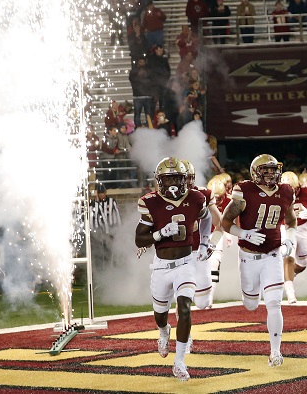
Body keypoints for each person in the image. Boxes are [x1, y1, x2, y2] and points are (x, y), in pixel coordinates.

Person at [134, 158, 213, 381]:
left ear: (184, 179)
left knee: (185, 308)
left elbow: (206, 219)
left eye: (176, 178)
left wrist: (205, 243)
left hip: (186, 263)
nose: (172, 183)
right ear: (159, 180)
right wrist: (160, 234)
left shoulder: (196, 198)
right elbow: (140, 239)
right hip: (161, 266)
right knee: (160, 315)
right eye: (167, 179)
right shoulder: (150, 202)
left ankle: (179, 362)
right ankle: (163, 331)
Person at [221, 154, 297, 367]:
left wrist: (290, 239)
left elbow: (291, 221)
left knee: (274, 303)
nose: (271, 174)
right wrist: (244, 233)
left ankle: (275, 352)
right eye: (266, 170)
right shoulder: (244, 191)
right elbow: (225, 223)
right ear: (256, 173)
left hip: (272, 255)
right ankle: (250, 297)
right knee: (251, 304)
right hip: (248, 256)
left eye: (274, 170)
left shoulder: (286, 191)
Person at [182, 160, 223, 312]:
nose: (186, 181)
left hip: (198, 252)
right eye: (182, 177)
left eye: (188, 177)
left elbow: (220, 223)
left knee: (202, 302)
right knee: (182, 298)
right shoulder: (164, 197)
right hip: (178, 254)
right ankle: (183, 336)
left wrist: (212, 244)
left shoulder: (204, 194)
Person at [280, 171, 307, 304]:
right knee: (288, 257)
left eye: (294, 189)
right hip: (287, 228)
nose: (292, 192)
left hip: (303, 227)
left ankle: (286, 277)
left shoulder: (306, 190)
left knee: (303, 264)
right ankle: (290, 291)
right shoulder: (277, 192)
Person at [89, 183, 121, 270]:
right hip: (100, 232)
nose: (101, 195)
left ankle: (112, 268)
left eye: (102, 193)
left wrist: (119, 228)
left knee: (111, 250)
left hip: (112, 230)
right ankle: (102, 269)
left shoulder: (112, 201)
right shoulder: (94, 204)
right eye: (99, 193)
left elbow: (117, 215)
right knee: (100, 251)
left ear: (105, 192)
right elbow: (94, 219)